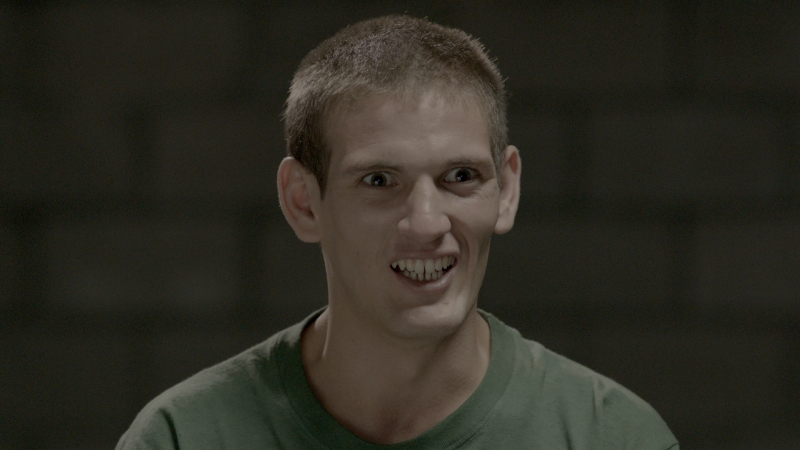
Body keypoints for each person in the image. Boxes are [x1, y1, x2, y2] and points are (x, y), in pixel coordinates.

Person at [116, 15, 679, 449]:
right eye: (380, 180)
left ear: (506, 190)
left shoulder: (612, 438)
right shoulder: (182, 438)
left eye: (461, 177)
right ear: (303, 202)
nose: (427, 223)